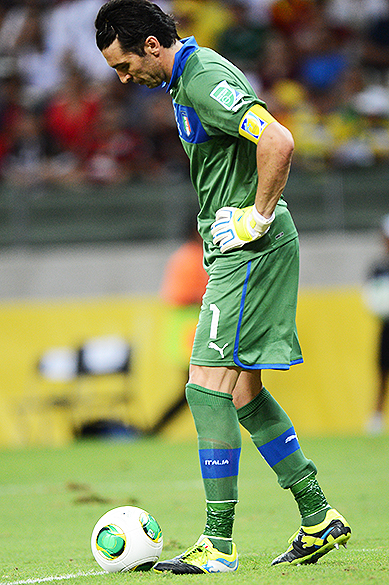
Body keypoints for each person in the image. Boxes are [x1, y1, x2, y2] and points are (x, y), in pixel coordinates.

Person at [95, 0, 351, 573]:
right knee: (240, 392)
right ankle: (319, 518)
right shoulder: (185, 79)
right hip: (241, 250)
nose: (122, 77)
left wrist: (255, 217)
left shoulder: (203, 77)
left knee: (204, 387)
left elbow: (278, 140)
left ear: (151, 47)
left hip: (249, 251)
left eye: (123, 63)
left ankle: (219, 543)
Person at [363, 213, 389, 434]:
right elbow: (373, 302)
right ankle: (377, 417)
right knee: (382, 374)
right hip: (386, 328)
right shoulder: (379, 267)